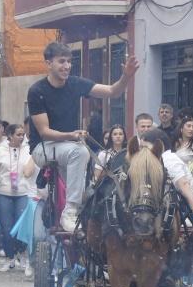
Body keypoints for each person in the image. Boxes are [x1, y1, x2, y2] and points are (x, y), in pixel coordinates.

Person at [29, 42, 139, 231]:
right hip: (43, 149)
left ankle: (86, 209)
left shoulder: (76, 83)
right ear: (48, 64)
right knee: (79, 152)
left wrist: (126, 76)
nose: (67, 66)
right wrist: (71, 135)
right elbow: (44, 132)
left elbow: (113, 91)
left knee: (87, 188)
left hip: (69, 147)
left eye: (69, 62)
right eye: (61, 62)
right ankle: (70, 211)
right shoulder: (37, 91)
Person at [0, 123, 36, 273]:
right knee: (6, 228)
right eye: (18, 134)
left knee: (21, 228)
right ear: (10, 135)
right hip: (3, 192)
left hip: (22, 193)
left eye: (23, 134)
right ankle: (10, 258)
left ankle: (23, 256)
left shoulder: (28, 150)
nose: (21, 137)